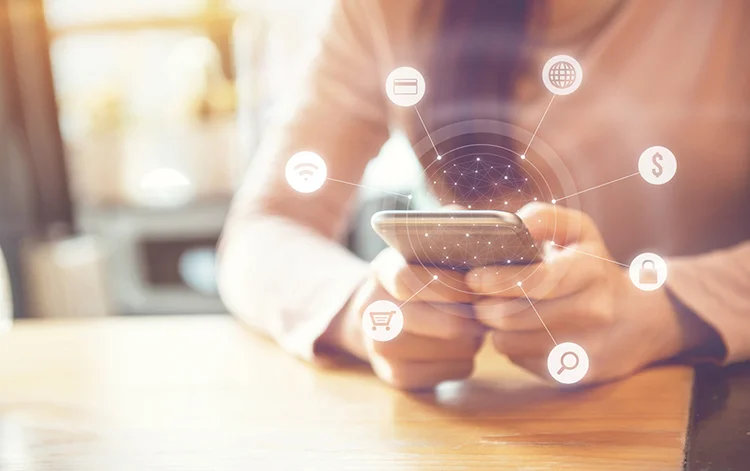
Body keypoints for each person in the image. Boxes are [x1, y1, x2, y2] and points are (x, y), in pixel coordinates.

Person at [218, 0, 749, 390]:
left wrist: (666, 313)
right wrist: (361, 311)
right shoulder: (381, 11)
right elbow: (262, 230)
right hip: (488, 414)